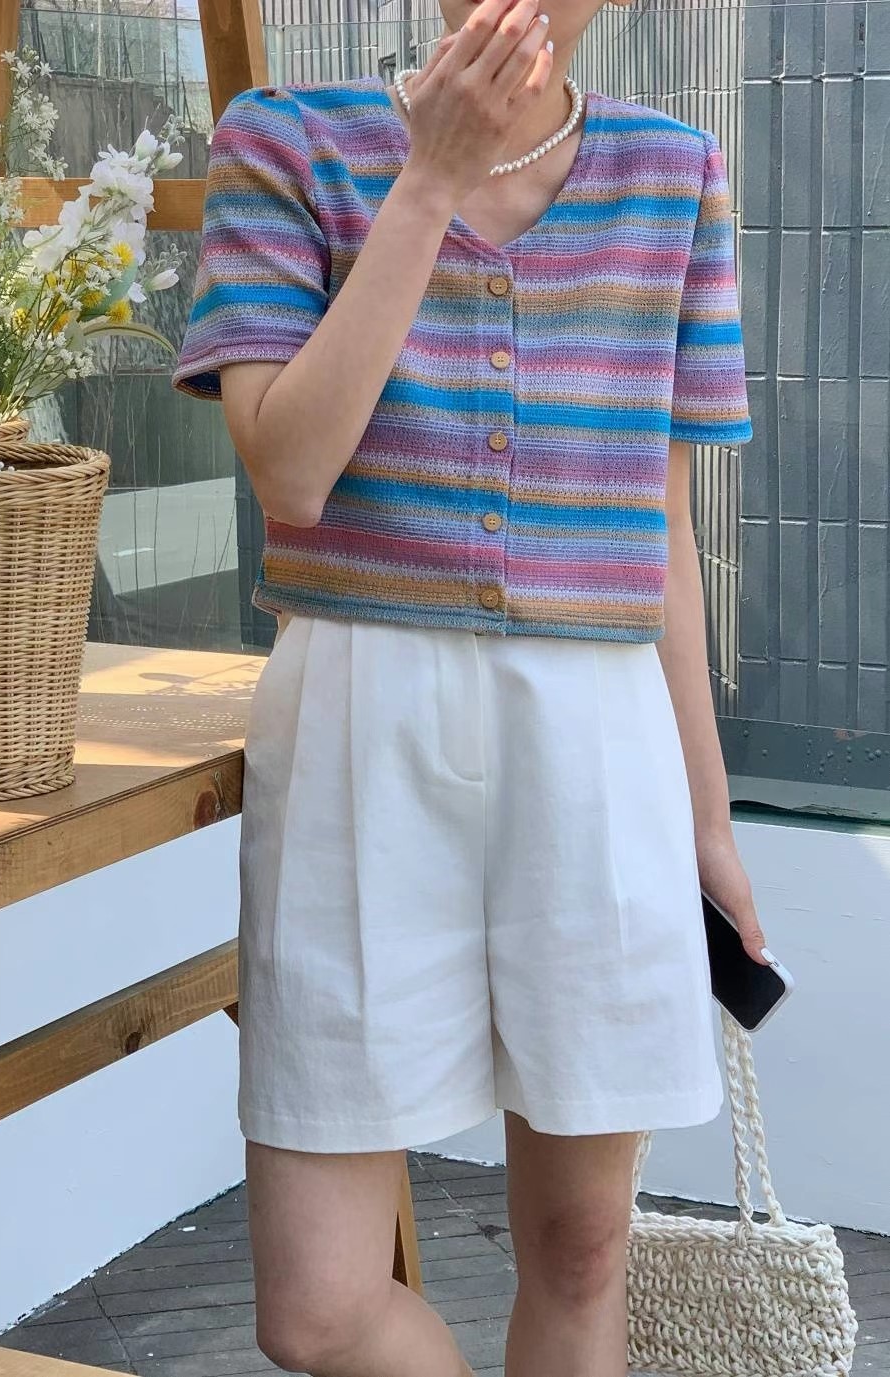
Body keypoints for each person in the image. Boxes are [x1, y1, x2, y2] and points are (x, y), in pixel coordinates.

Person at [174, 1, 770, 1372]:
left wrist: (707, 817)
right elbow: (289, 472)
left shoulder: (671, 172)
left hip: (595, 738)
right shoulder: (287, 143)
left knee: (582, 1249)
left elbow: (663, 527)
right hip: (357, 726)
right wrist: (429, 178)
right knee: (316, 1306)